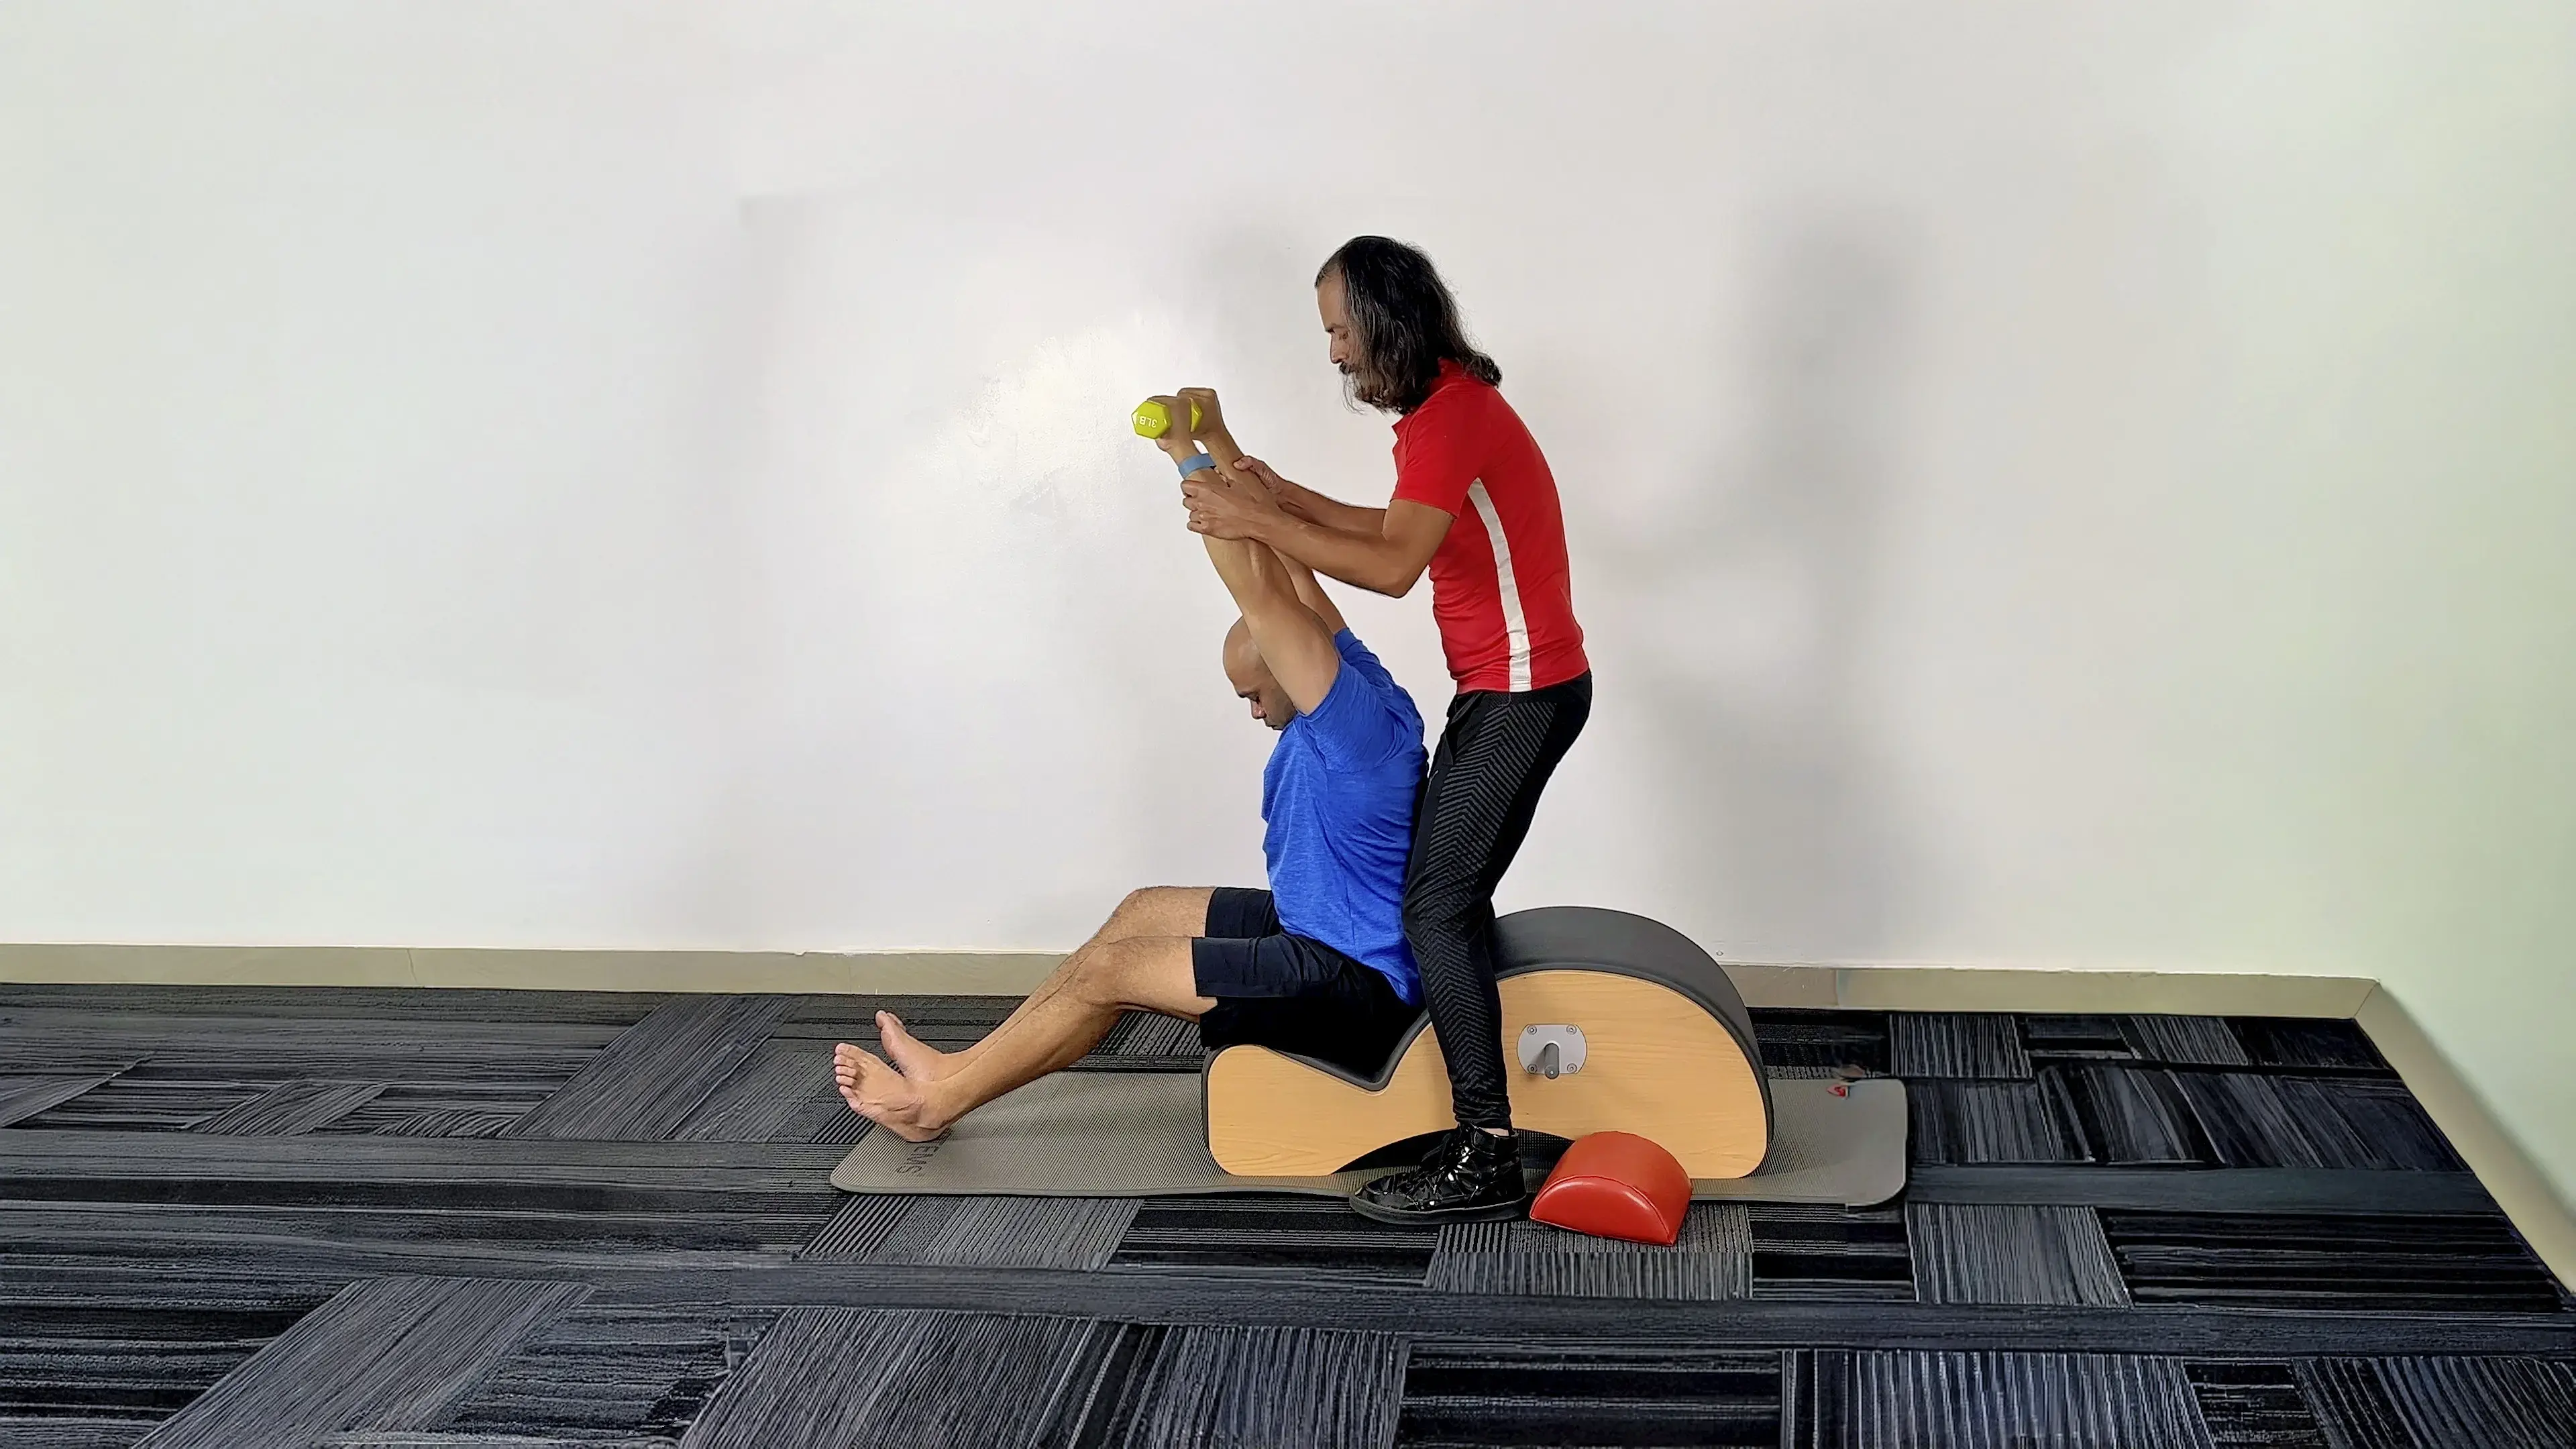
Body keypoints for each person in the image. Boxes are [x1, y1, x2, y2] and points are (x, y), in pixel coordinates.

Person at [832, 401, 1428, 1144]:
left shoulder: (1349, 730)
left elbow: (1259, 593)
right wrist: (1218, 436)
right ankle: (952, 1067)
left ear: (1288, 666)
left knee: (1111, 971)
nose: (1251, 713)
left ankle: (934, 1109)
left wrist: (1182, 454)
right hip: (1322, 925)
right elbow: (1291, 577)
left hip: (1352, 986)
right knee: (1143, 909)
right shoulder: (1366, 682)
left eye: (1253, 696)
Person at [1178, 237, 1591, 1225]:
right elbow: (1395, 523)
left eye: (1337, 330)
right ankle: (1453, 1054)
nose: (1332, 353)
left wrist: (1261, 520)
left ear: (1384, 319)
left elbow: (1394, 565)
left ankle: (1486, 1151)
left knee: (1435, 908)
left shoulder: (1453, 419)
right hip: (1505, 691)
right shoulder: (1440, 417)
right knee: (1442, 898)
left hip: (1525, 696)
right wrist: (1275, 493)